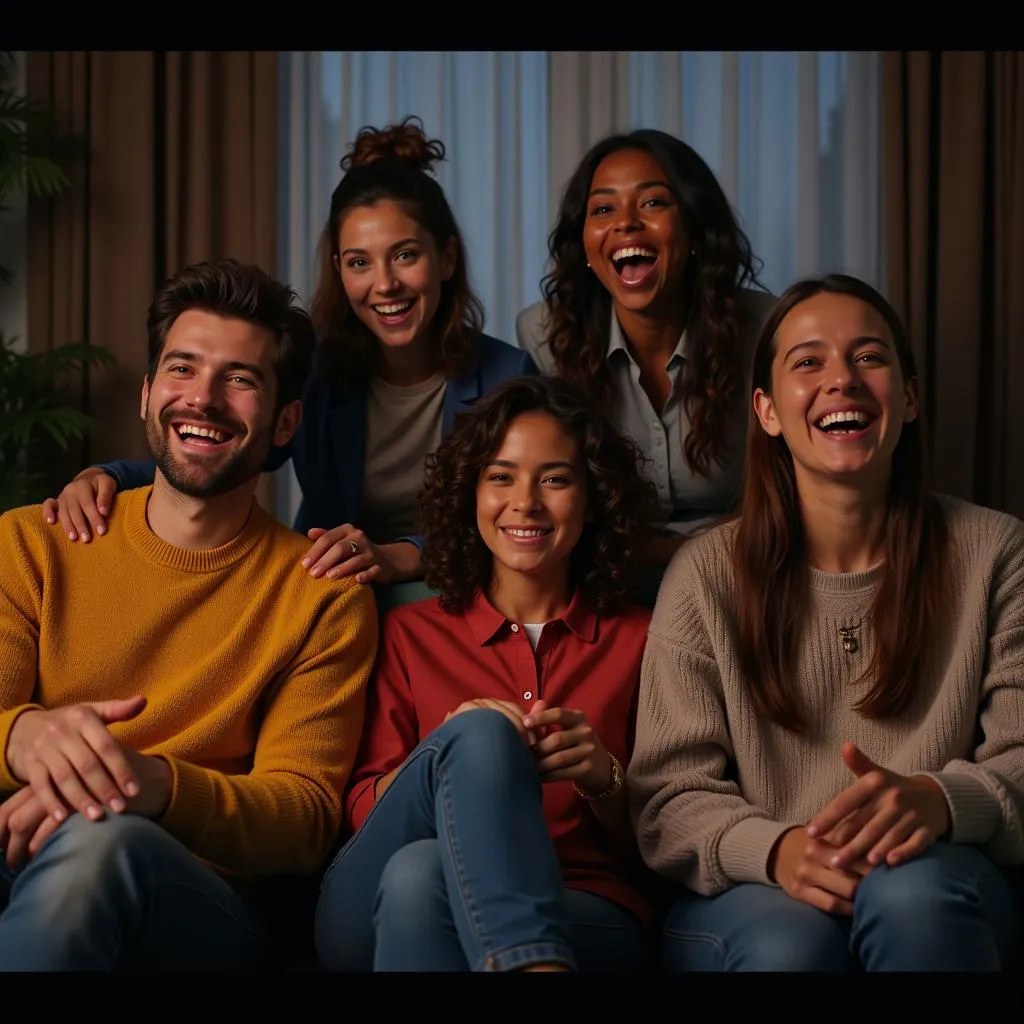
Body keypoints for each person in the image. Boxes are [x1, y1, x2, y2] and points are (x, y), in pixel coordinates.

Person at [628, 273, 1024, 972]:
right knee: (788, 946)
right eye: (807, 362)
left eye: (868, 357)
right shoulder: (704, 574)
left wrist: (939, 800)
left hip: (937, 872)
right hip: (754, 893)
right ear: (768, 410)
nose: (841, 379)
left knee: (912, 898)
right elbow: (667, 797)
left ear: (909, 398)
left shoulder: (998, 551)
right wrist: (777, 851)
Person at [0, 258, 377, 971]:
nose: (201, 399)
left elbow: (303, 818)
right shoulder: (29, 544)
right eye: (182, 369)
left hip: (199, 902)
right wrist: (23, 737)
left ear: (285, 421)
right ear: (147, 396)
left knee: (101, 837)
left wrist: (155, 786)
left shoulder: (322, 594)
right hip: (19, 847)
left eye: (239, 379)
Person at [42, 117, 534, 602]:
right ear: (339, 270)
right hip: (328, 593)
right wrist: (106, 476)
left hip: (459, 597)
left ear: (446, 257)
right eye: (360, 262)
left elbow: (520, 519)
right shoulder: (313, 371)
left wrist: (399, 555)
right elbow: (223, 451)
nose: (384, 284)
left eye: (405, 255)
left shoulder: (508, 377)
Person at [315, 375, 660, 972]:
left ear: (594, 496)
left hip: (581, 903)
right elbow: (364, 809)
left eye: (554, 478)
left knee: (420, 880)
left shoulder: (644, 640)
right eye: (501, 477)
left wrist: (604, 779)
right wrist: (449, 753)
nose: (525, 501)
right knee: (467, 756)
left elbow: (664, 848)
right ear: (470, 494)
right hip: (364, 906)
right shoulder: (408, 633)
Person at [517, 128, 774, 579]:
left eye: (653, 203)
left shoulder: (769, 330)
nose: (626, 222)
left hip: (746, 568)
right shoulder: (543, 334)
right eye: (602, 209)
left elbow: (799, 488)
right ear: (587, 247)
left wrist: (686, 555)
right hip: (607, 574)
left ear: (694, 228)